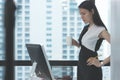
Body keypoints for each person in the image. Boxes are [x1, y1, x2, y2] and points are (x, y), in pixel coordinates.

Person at [71, 1, 110, 80]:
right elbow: (84, 46)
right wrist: (75, 43)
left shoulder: (100, 30)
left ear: (92, 11)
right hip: (82, 67)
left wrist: (101, 63)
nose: (82, 17)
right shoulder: (86, 28)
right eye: (80, 14)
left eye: (84, 13)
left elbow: (118, 48)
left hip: (91, 71)